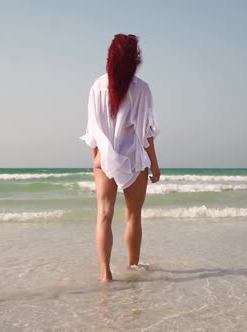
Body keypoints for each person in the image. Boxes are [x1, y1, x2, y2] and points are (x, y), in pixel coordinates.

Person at [80, 33, 161, 282]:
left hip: (104, 159)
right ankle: (133, 266)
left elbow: (93, 129)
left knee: (104, 214)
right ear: (134, 59)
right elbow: (145, 132)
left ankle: (105, 274)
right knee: (133, 215)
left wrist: (97, 158)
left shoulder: (97, 86)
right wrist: (155, 164)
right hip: (133, 159)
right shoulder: (141, 89)